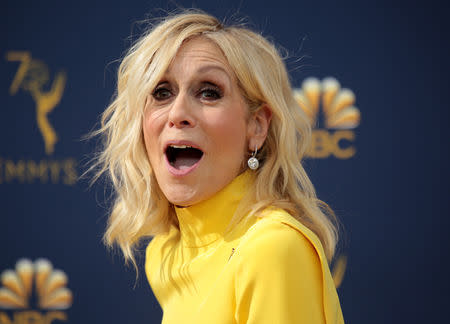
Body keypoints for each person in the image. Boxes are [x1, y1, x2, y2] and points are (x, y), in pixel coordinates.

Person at [94, 9, 344, 324]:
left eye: (209, 92)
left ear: (256, 126)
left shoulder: (274, 249)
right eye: (161, 92)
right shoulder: (165, 252)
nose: (178, 112)